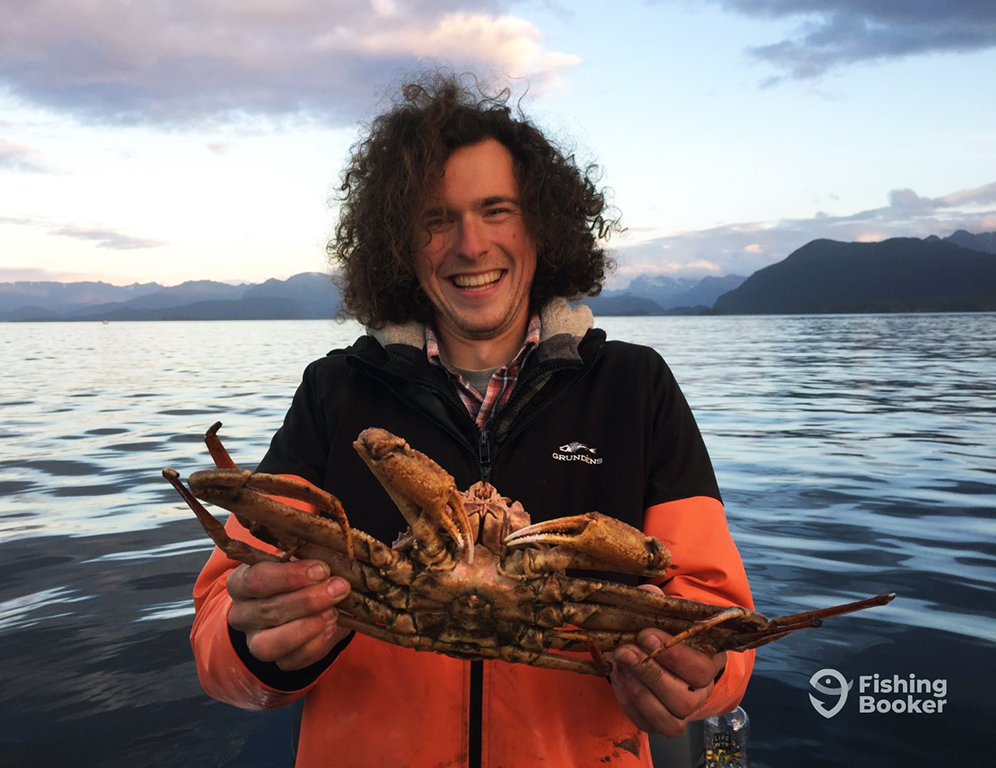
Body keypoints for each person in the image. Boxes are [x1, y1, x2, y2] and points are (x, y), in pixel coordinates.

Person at [191, 72, 755, 767]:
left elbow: (718, 616)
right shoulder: (335, 392)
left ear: (541, 224)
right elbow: (222, 623)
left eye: (497, 210)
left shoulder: (634, 388)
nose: (470, 243)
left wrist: (697, 683)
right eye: (436, 218)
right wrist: (255, 644)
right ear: (400, 241)